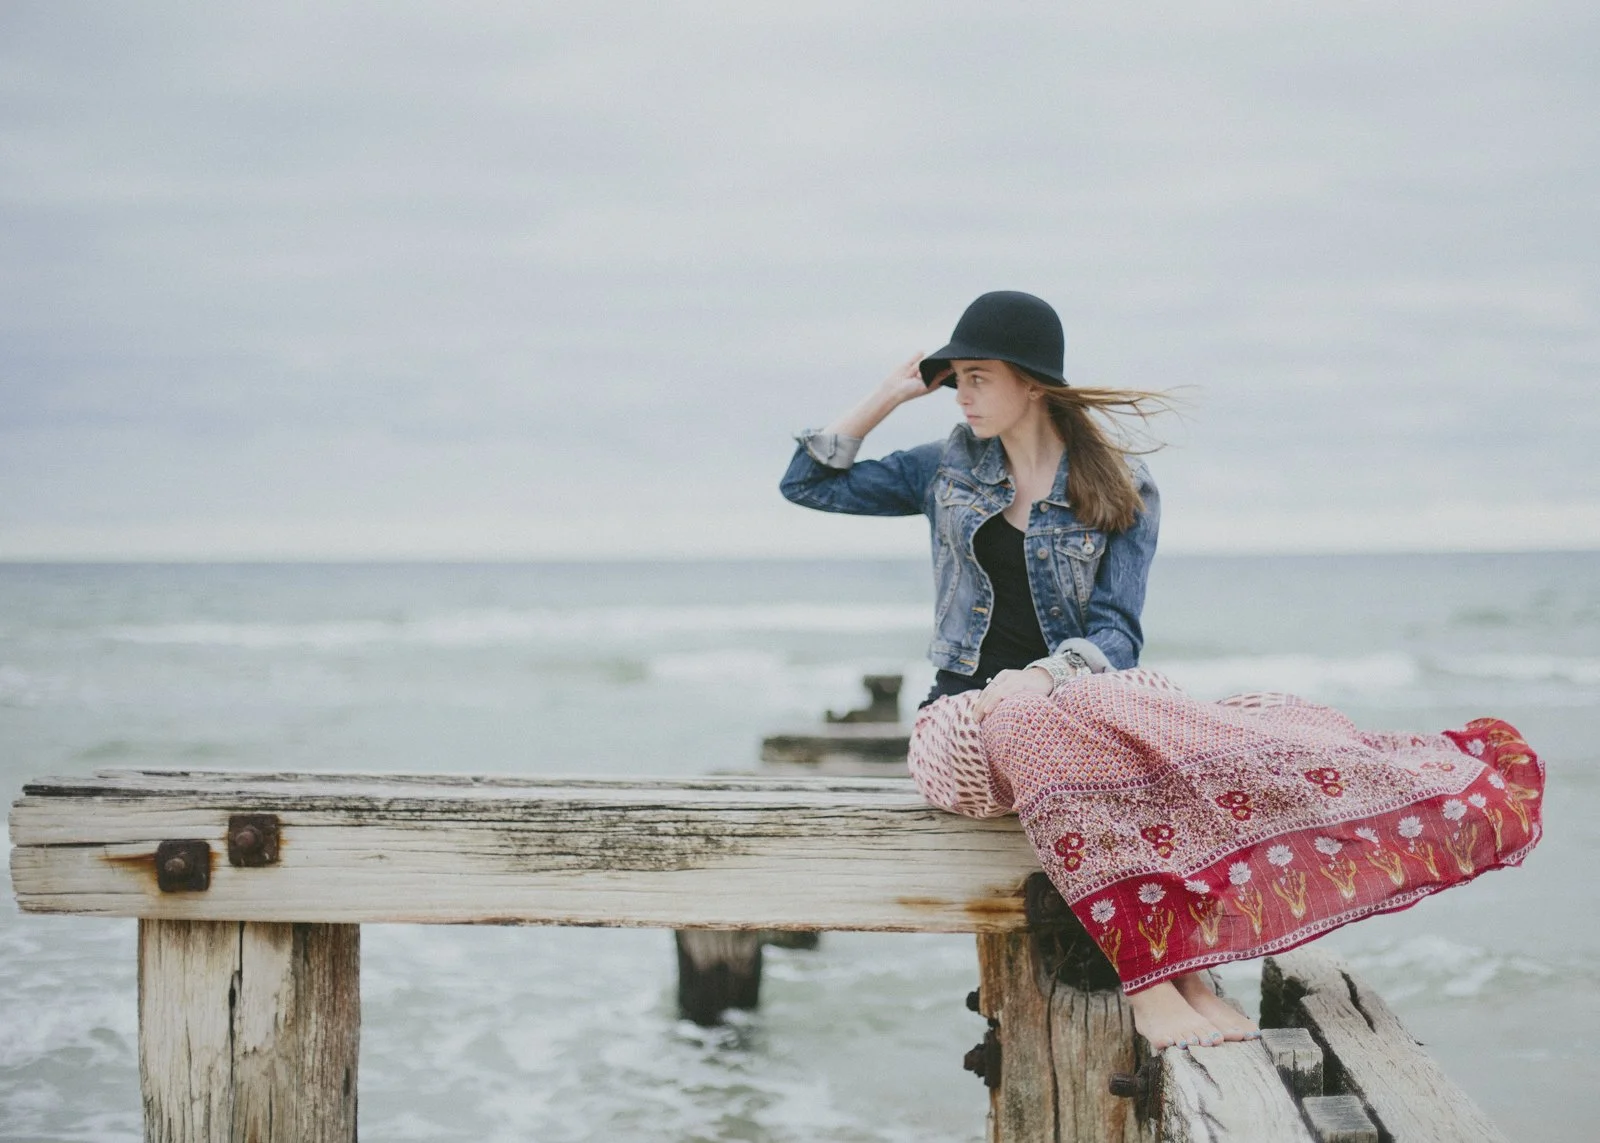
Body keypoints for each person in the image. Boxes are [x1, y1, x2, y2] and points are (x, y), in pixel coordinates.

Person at [779, 291, 1545, 1052]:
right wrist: (891, 390)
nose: (963, 393)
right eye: (957, 379)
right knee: (1022, 718)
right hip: (964, 725)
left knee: (1217, 716)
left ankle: (1197, 969)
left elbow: (1117, 633)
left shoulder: (1117, 485)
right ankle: (1151, 980)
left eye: (979, 375)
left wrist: (1046, 675)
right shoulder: (940, 469)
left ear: (1033, 382)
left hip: (1076, 701)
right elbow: (808, 482)